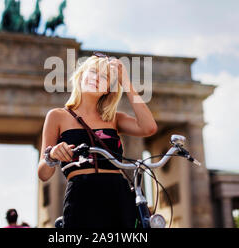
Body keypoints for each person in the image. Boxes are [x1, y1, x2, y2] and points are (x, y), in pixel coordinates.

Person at [37, 52, 158, 228]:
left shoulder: (114, 118)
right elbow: (43, 173)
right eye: (93, 72)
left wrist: (126, 82)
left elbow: (149, 128)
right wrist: (52, 155)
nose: (96, 78)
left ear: (108, 89)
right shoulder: (57, 116)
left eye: (104, 77)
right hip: (81, 197)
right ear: (81, 75)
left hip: (118, 195)